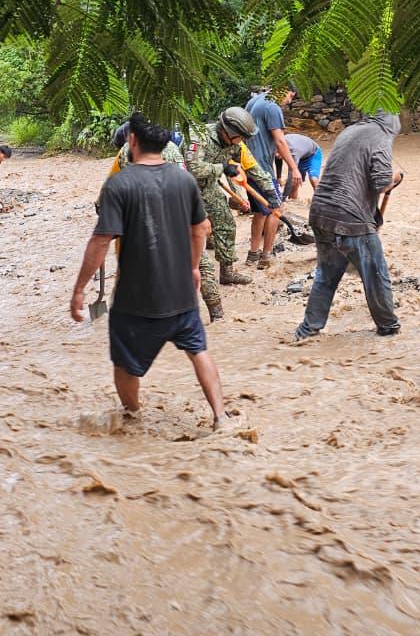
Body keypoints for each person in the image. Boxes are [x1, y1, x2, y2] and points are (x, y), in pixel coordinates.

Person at [70, 113, 226, 430]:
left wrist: (79, 290)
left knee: (125, 364)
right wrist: (194, 268)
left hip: (136, 298)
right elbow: (201, 229)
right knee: (199, 351)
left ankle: (133, 417)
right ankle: (221, 417)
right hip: (182, 293)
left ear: (132, 140)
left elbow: (101, 240)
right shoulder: (184, 180)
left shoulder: (119, 184)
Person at [294, 111, 404, 341]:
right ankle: (388, 327)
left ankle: (307, 330)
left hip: (321, 213)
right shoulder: (381, 135)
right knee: (376, 274)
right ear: (392, 122)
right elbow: (382, 181)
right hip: (350, 219)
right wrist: (396, 178)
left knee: (326, 276)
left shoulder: (350, 131)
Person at [112, 123, 224, 322]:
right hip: (183, 214)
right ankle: (217, 315)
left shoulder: (125, 153)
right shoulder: (171, 146)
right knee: (201, 263)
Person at [186, 107, 281, 285]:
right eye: (240, 137)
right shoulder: (199, 136)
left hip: (208, 187)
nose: (242, 141)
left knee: (226, 224)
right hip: (184, 188)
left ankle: (227, 272)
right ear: (227, 132)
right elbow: (195, 168)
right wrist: (222, 167)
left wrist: (270, 192)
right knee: (190, 233)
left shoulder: (235, 143)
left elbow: (253, 167)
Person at [243, 85, 300, 270]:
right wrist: (294, 169)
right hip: (262, 169)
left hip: (248, 163)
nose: (288, 102)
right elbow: (280, 140)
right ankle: (266, 256)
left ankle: (253, 254)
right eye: (290, 97)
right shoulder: (272, 107)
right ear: (283, 89)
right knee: (276, 209)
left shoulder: (254, 101)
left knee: (260, 211)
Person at [278, 132, 323, 197]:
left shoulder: (294, 152)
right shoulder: (279, 145)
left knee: (313, 179)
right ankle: (293, 201)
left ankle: (320, 200)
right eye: (276, 152)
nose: (277, 155)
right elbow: (278, 159)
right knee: (295, 184)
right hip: (301, 155)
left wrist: (283, 198)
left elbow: (291, 176)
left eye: (279, 153)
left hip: (313, 154)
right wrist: (278, 177)